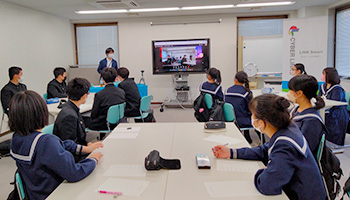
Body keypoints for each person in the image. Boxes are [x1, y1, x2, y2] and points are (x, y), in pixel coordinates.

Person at [212, 94, 326, 199]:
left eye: (252, 114)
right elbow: (264, 150)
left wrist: (262, 172)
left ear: (261, 122)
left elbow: (267, 186)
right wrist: (232, 153)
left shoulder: (284, 146)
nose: (251, 118)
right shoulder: (288, 128)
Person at [9, 90, 103, 200]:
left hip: (34, 193)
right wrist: (92, 160)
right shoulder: (46, 142)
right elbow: (74, 173)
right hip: (55, 193)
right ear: (41, 113)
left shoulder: (17, 138)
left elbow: (59, 144)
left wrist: (82, 148)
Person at [288, 74, 326, 156]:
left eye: (290, 90)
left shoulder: (312, 121)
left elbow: (304, 150)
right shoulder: (295, 110)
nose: (288, 93)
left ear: (299, 93)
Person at [53, 78, 91, 148]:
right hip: (70, 156)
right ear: (84, 96)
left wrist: (88, 143)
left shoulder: (72, 108)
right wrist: (87, 149)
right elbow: (69, 146)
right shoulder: (69, 116)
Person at [224, 71, 258, 144]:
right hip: (242, 121)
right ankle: (261, 141)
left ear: (235, 80)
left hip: (228, 119)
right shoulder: (246, 93)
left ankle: (247, 136)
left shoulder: (227, 91)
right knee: (255, 117)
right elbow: (250, 110)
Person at [319, 67, 349, 145]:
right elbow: (319, 98)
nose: (322, 76)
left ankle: (334, 144)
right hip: (325, 110)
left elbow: (335, 102)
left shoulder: (337, 88)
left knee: (331, 121)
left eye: (323, 74)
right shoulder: (322, 86)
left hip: (337, 112)